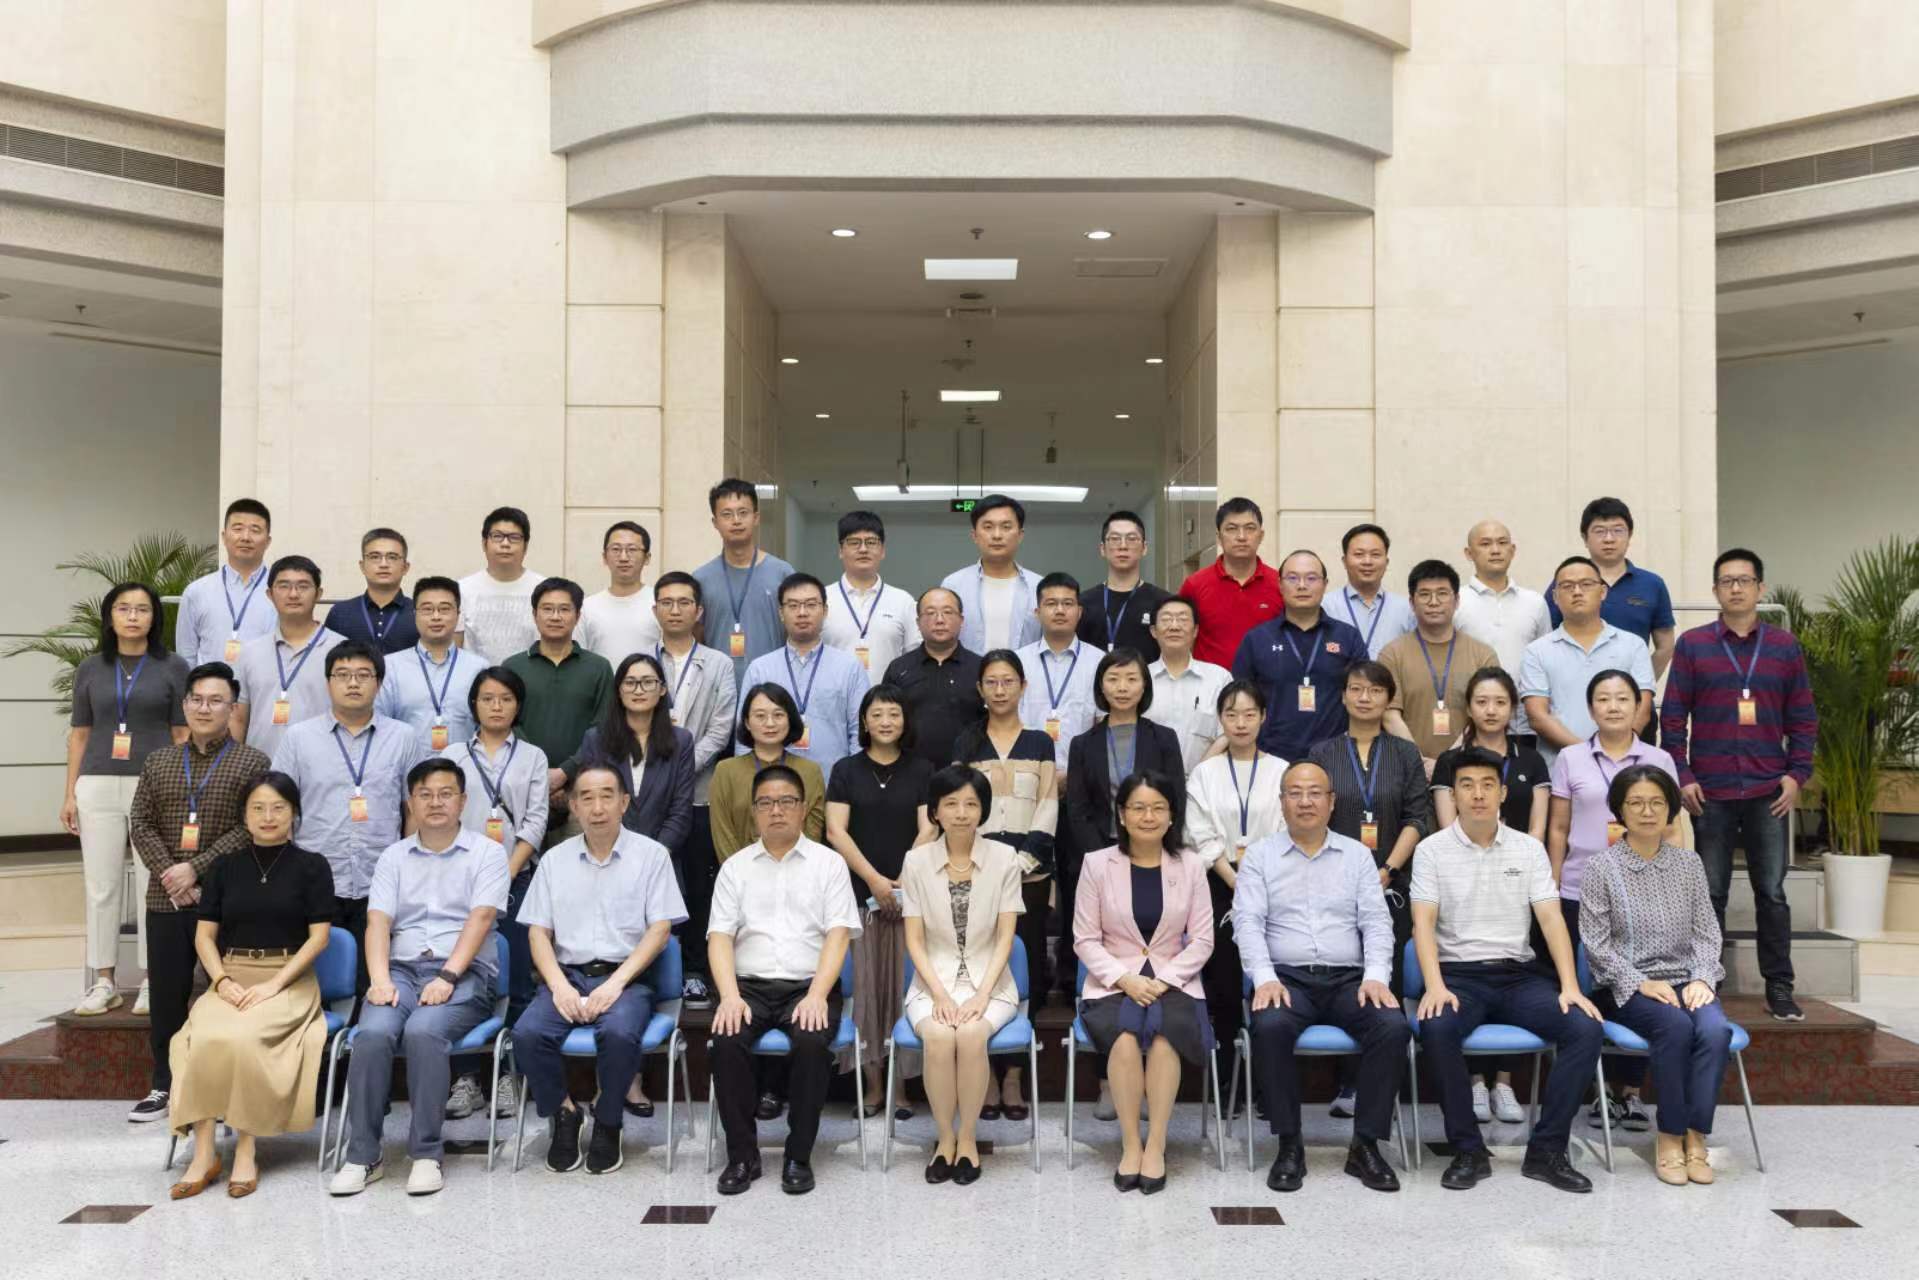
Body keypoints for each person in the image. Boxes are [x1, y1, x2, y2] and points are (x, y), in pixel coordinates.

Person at [1409, 748, 1604, 1194]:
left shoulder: (1529, 848)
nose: (1477, 794)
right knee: (1436, 1027)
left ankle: (1547, 1151)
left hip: (1519, 977)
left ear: (1501, 793)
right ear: (1453, 795)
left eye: (1487, 785)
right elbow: (1422, 922)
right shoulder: (1431, 850)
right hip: (1458, 977)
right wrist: (1434, 986)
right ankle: (1468, 1151)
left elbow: (1551, 919)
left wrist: (1570, 986)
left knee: (1584, 1027)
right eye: (1467, 785)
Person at [329, 758, 510, 1198]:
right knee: (371, 1035)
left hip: (464, 973)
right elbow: (377, 922)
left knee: (424, 1031)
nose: (435, 802)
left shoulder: (487, 853)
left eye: (445, 794)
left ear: (462, 801)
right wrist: (379, 980)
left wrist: (447, 975)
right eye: (425, 794)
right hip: (401, 971)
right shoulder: (394, 856)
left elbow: (482, 918)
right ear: (410, 802)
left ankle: (426, 1153)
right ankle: (363, 1156)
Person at [1235, 760, 1408, 1193]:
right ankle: (1289, 1145)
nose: (1305, 801)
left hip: (1348, 979)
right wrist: (1264, 978)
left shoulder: (1357, 855)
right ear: (1282, 802)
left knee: (1391, 1026)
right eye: (1295, 792)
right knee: (1270, 1025)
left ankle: (1365, 1145)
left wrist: (1376, 976)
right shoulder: (1259, 856)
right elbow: (1247, 923)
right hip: (1287, 978)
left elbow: (1376, 922)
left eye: (1315, 793)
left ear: (1331, 802)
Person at [1661, 548, 1816, 1023]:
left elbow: (1803, 719)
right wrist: (1683, 775)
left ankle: (1780, 987)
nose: (1735, 588)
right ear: (1715, 591)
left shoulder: (1784, 647)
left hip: (1770, 791)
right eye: (1726, 581)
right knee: (1711, 894)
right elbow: (1673, 719)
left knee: (1772, 893)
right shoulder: (1693, 645)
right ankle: (1707, 983)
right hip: (1709, 792)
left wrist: (1796, 774)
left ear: (1760, 589)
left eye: (1744, 580)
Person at [164, 772, 334, 1200]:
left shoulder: (312, 866)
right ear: (244, 815)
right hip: (231, 978)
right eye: (258, 808)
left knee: (245, 1038)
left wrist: (275, 984)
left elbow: (319, 938)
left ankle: (245, 1149)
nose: (268, 816)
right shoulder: (224, 867)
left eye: (278, 807)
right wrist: (221, 981)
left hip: (288, 981)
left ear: (294, 813)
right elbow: (204, 936)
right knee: (197, 1040)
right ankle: (204, 1154)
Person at [513, 762, 687, 1175]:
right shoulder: (554, 860)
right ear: (573, 806)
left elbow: (660, 930)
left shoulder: (651, 856)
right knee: (527, 1033)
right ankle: (565, 1114)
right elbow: (538, 933)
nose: (597, 807)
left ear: (624, 802)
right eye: (586, 798)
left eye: (607, 796)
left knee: (620, 1033)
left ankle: (608, 1121)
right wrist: (559, 986)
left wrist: (615, 984)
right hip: (568, 975)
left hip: (627, 977)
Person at [707, 764, 863, 1196]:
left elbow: (838, 935)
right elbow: (719, 937)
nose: (776, 810)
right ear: (754, 810)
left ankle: (798, 1155)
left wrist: (817, 994)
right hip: (748, 986)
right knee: (725, 1039)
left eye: (786, 801)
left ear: (803, 808)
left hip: (808, 984)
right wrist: (729, 996)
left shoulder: (829, 864)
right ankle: (743, 1156)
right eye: (766, 803)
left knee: (812, 1042)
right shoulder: (735, 868)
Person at [550, 654, 696, 1112]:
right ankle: (608, 1082)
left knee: (639, 974)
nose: (639, 689)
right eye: (630, 682)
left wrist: (644, 857)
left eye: (648, 682)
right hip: (602, 866)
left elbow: (681, 809)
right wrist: (619, 851)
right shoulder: (597, 739)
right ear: (618, 690)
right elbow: (597, 800)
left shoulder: (681, 741)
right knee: (606, 964)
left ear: (662, 690)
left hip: (658, 868)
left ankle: (630, 1081)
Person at [126, 662, 271, 1123]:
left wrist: (196, 869)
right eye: (197, 700)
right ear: (185, 705)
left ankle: (222, 1087)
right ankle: (164, 1084)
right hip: (165, 898)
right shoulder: (159, 761)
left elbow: (250, 827)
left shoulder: (253, 763)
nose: (205, 708)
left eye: (216, 701)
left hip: (224, 900)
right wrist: (171, 874)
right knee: (167, 996)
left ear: (233, 708)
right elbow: (140, 822)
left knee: (223, 992)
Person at [1578, 765, 1730, 1186]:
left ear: (1671, 810)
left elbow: (1707, 932)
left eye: (1657, 803)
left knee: (1715, 1030)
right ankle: (1669, 1136)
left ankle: (1696, 1135)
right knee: (1675, 1027)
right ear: (1620, 810)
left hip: (1686, 980)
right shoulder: (1601, 867)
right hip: (1626, 986)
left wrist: (1702, 978)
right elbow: (1596, 945)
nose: (1647, 812)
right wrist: (1640, 982)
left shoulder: (1689, 864)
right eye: (1636, 803)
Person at [1549, 668, 1679, 1129]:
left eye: (1623, 698)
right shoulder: (1570, 758)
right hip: (1578, 890)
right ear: (1590, 709)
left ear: (1639, 707)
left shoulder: (1659, 759)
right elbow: (1558, 828)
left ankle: (1630, 1091)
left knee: (1639, 984)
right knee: (1587, 988)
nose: (1613, 706)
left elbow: (1672, 829)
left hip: (1643, 893)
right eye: (1603, 699)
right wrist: (1553, 884)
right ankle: (1593, 1086)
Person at [1073, 772, 1214, 1195]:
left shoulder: (1190, 865)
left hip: (1176, 982)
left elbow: (1203, 939)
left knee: (1168, 1037)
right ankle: (1131, 1143)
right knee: (1123, 1040)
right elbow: (1085, 939)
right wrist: (1126, 979)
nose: (1148, 817)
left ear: (1171, 816)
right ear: (1122, 815)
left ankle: (1157, 1144)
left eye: (1157, 808)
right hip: (1113, 982)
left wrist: (1164, 980)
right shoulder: (1097, 864)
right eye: (1138, 808)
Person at [1308, 660, 1433, 1110]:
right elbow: (1313, 816)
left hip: (1391, 882)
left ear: (1388, 698)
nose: (1365, 698)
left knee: (1387, 978)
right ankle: (1347, 1083)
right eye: (1356, 689)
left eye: (1375, 690)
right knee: (1346, 978)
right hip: (1334, 880)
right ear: (1343, 696)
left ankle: (1381, 1086)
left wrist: (1389, 869)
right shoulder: (1322, 753)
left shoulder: (1404, 753)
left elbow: (1418, 817)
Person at [1428, 667, 1551, 1125]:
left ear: (1513, 708)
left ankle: (1504, 1083)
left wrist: (1518, 868)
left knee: (1516, 976)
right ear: (1470, 707)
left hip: (1518, 882)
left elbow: (1538, 829)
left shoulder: (1531, 760)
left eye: (1500, 701)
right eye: (1482, 701)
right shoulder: (1452, 761)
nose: (1491, 710)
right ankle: (1476, 1083)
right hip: (1464, 882)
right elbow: (1449, 827)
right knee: (1468, 985)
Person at [63, 582, 189, 1018]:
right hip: (96, 784)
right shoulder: (91, 667)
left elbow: (181, 733)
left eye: (142, 609)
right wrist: (69, 793)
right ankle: (104, 981)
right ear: (110, 616)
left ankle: (154, 979)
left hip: (155, 784)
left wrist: (183, 787)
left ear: (155, 617)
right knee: (101, 885)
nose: (133, 616)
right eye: (123, 608)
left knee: (154, 885)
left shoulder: (173, 666)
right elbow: (80, 733)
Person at [269, 641, 423, 983]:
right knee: (315, 979)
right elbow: (280, 807)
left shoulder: (403, 737)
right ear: (328, 683)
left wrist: (409, 865)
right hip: (314, 879)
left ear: (379, 683)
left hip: (381, 879)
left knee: (374, 980)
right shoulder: (298, 737)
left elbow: (413, 808)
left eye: (363, 675)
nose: (353, 683)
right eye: (342, 675)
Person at [899, 765, 1023, 1183]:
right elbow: (914, 940)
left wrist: (981, 995)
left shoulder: (1004, 858)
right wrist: (940, 995)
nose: (961, 813)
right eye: (951, 804)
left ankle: (967, 1138)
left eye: (971, 803)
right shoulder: (916, 861)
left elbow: (1006, 937)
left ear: (983, 810)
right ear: (935, 811)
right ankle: (944, 1139)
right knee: (938, 1036)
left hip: (992, 984)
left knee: (970, 1035)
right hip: (932, 983)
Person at [951, 651, 1058, 1118]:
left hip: (1028, 876)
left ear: (1022, 686)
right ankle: (987, 1076)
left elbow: (1048, 805)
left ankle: (1013, 1075)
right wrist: (986, 864)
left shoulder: (1040, 742)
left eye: (1008, 681)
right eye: (991, 682)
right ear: (980, 689)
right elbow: (959, 806)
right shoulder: (967, 739)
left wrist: (1018, 863)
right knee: (979, 970)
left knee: (1022, 968)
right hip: (975, 873)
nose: (1000, 690)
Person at [441, 666, 549, 1119]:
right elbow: (441, 814)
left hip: (516, 879)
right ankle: (466, 1079)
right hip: (459, 880)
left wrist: (504, 872)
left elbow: (536, 820)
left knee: (519, 979)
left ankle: (510, 1075)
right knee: (465, 978)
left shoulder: (533, 756)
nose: (496, 706)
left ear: (518, 705)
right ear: (474, 705)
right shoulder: (453, 755)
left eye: (506, 698)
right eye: (487, 698)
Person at [825, 685, 935, 1116]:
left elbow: (930, 827)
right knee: (867, 990)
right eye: (877, 714)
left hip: (911, 894)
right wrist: (874, 881)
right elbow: (835, 831)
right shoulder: (846, 770)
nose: (886, 721)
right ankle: (872, 1087)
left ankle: (902, 1089)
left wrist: (903, 879)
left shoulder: (923, 768)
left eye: (894, 713)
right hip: (859, 895)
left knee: (905, 988)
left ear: (905, 721)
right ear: (864, 722)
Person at [1184, 680, 1287, 1095]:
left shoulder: (1281, 770)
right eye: (1231, 715)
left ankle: (1266, 1083)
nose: (1240, 723)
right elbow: (1199, 833)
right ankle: (1226, 1079)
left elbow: (1286, 828)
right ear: (1220, 720)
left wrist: (1254, 879)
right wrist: (1233, 879)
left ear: (1263, 717)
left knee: (1269, 979)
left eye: (1249, 714)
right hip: (1216, 883)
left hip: (1273, 882)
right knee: (1224, 985)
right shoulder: (1204, 773)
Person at [651, 570, 739, 1005]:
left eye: (684, 602)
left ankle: (696, 970)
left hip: (701, 794)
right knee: (656, 882)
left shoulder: (719, 663)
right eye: (667, 602)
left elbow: (722, 728)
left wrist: (683, 765)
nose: (675, 610)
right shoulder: (641, 662)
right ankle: (653, 968)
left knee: (701, 884)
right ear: (655, 610)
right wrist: (660, 771)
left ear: (698, 611)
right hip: (651, 794)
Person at [1232, 550, 1365, 761]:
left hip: (1336, 757)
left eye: (1311, 578)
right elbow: (1240, 699)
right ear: (1280, 584)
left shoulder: (1348, 637)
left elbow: (1363, 697)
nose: (1302, 585)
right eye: (1292, 578)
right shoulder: (1257, 639)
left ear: (1325, 584)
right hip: (1270, 758)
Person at [1520, 555, 1656, 761]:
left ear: (1603, 592)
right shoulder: (1536, 651)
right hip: (1560, 767)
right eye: (1567, 586)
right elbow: (1538, 717)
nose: (1577, 591)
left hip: (1624, 766)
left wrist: (1616, 752)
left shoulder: (1633, 645)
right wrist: (1587, 755)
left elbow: (1642, 709)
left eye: (1586, 584)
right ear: (1555, 597)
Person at [506, 578, 614, 826]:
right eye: (547, 609)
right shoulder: (513, 667)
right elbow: (508, 724)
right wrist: (540, 773)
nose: (555, 616)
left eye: (564, 609)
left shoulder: (598, 668)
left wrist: (565, 772)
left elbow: (604, 727)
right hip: (522, 788)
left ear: (577, 616)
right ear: (534, 615)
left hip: (581, 792)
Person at [741, 573, 867, 778]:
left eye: (810, 605)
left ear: (825, 611)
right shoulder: (760, 669)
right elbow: (744, 736)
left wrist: (853, 784)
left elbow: (860, 732)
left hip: (833, 784)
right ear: (781, 613)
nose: (802, 613)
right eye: (793, 605)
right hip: (770, 788)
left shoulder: (849, 668)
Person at [1379, 560, 1498, 771]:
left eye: (1442, 593)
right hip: (1408, 769)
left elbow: (1487, 714)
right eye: (1424, 594)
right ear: (1412, 602)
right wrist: (1419, 763)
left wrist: (1449, 762)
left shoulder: (1482, 655)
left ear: (1457, 600)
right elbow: (1389, 715)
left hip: (1468, 768)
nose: (1433, 602)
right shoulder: (1392, 654)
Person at [1547, 497, 1677, 682]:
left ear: (1630, 535)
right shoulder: (1566, 583)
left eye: (1618, 530)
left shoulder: (1652, 584)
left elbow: (1665, 646)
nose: (1609, 539)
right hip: (1572, 688)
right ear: (1585, 538)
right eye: (1600, 531)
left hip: (1630, 694)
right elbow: (1547, 638)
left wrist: (1641, 686)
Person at [230, 555, 345, 757]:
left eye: (303, 586)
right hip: (261, 765)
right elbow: (238, 718)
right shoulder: (250, 652)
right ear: (270, 594)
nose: (293, 594)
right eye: (284, 586)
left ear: (318, 594)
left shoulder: (342, 650)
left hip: (322, 765)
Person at [691, 478, 797, 686]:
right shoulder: (701, 579)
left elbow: (794, 633)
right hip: (717, 689)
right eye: (727, 514)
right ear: (715, 522)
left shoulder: (782, 573)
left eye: (743, 512)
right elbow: (696, 637)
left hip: (773, 688)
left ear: (756, 518)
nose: (736, 521)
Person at [1454, 519, 1552, 738]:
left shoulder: (1535, 602)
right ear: (1469, 553)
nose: (1495, 550)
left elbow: (1546, 660)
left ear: (1512, 550)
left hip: (1525, 726)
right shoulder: (1456, 601)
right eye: (1485, 544)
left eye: (1502, 542)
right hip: (1470, 725)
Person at [709, 684, 827, 860]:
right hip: (741, 872)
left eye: (778, 715)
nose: (770, 723)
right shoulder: (726, 771)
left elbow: (812, 836)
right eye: (760, 716)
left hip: (799, 870)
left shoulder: (810, 771)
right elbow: (723, 835)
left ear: (790, 719)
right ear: (747, 722)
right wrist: (741, 871)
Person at [375, 576, 488, 754]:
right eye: (427, 609)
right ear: (415, 614)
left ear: (458, 615)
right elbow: (380, 724)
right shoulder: (390, 667)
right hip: (408, 767)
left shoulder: (479, 668)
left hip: (464, 766)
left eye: (444, 609)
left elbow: (487, 728)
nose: (436, 617)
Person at [883, 586, 985, 769]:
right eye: (930, 613)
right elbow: (885, 723)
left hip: (968, 774)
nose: (939, 620)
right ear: (918, 622)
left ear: (961, 620)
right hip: (908, 773)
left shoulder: (981, 668)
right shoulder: (899, 669)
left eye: (948, 612)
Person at [1178, 496, 1282, 668]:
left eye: (1250, 528)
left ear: (1261, 535)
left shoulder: (1280, 583)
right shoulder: (1195, 585)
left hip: (1266, 683)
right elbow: (1180, 639)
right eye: (1232, 529)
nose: (1241, 537)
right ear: (1219, 537)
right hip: (1210, 683)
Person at [940, 494, 1045, 655]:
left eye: (1006, 527)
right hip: (968, 671)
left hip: (1024, 671)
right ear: (974, 535)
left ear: (1020, 535)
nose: (997, 535)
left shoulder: (1039, 586)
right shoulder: (953, 585)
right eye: (988, 527)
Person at [175, 498, 274, 667]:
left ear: (268, 541)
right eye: (238, 529)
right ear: (224, 536)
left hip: (264, 684)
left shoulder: (281, 592)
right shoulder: (197, 591)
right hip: (209, 684)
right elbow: (186, 656)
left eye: (255, 530)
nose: (245, 537)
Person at [1015, 572, 1099, 772]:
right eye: (1051, 604)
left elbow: (1103, 724)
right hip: (1027, 773)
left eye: (1068, 604)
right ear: (1037, 612)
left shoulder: (1099, 662)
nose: (1060, 610)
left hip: (1083, 775)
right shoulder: (1018, 661)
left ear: (1079, 612)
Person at [821, 510, 920, 678]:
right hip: (833, 693)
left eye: (871, 542)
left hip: (888, 694)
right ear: (841, 550)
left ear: (882, 550)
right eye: (854, 542)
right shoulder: (821, 599)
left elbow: (915, 657)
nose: (863, 549)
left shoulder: (903, 601)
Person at [1144, 595, 1231, 772]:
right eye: (1166, 619)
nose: (1174, 626)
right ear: (1153, 631)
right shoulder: (1139, 678)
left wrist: (1198, 778)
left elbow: (1227, 733)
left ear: (1195, 630)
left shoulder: (1219, 678)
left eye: (1183, 620)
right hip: (1148, 782)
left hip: (1206, 781)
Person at [1077, 511, 1173, 662]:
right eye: (1115, 539)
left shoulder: (1164, 602)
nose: (1123, 546)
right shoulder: (1082, 603)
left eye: (1132, 539)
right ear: (1102, 549)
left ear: (1144, 548)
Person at [456, 506, 546, 664]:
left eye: (514, 537)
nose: (505, 544)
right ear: (484, 544)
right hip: (477, 678)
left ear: (525, 546)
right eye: (497, 536)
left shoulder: (544, 589)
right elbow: (455, 648)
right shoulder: (461, 590)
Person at [577, 520, 660, 665]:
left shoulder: (660, 603)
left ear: (647, 558)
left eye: (632, 550)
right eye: (616, 549)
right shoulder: (587, 607)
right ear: (605, 557)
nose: (623, 557)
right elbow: (580, 659)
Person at [323, 528, 419, 653]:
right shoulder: (340, 613)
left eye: (392, 557)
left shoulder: (419, 612)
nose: (383, 564)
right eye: (375, 557)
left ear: (405, 567)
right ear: (362, 566)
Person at [1336, 524, 1415, 659]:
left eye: (1375, 554)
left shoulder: (1406, 609)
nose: (1367, 561)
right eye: (1359, 554)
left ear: (1386, 562)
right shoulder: (1326, 606)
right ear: (1344, 561)